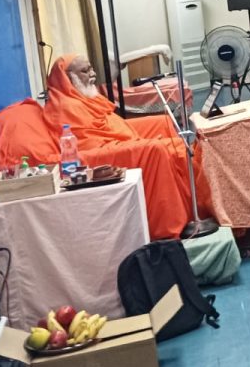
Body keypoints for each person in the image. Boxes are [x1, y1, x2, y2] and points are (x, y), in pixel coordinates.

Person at [36, 56, 215, 240]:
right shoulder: (65, 106)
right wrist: (132, 144)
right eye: (85, 71)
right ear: (67, 77)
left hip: (123, 143)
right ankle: (173, 223)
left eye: (91, 68)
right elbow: (89, 144)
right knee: (159, 149)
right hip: (110, 155)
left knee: (177, 143)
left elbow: (108, 126)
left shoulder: (82, 97)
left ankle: (197, 209)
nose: (93, 74)